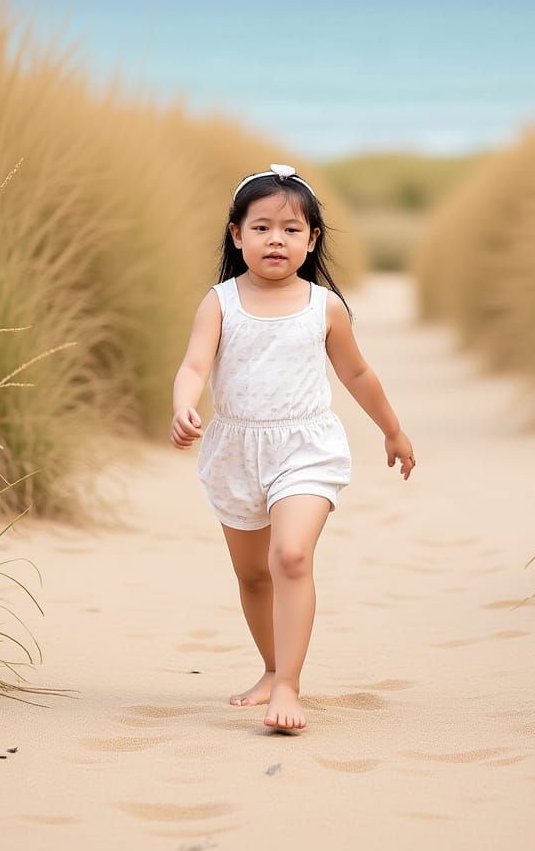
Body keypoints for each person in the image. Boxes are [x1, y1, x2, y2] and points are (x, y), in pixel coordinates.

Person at [170, 163, 415, 733]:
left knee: (290, 557)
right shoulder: (220, 302)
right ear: (236, 235)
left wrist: (392, 429)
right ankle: (270, 667)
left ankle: (289, 684)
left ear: (312, 240)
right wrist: (184, 404)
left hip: (305, 447)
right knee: (253, 575)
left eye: (290, 229)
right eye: (260, 228)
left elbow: (357, 374)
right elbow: (194, 364)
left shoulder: (323, 306)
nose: (275, 239)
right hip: (235, 450)